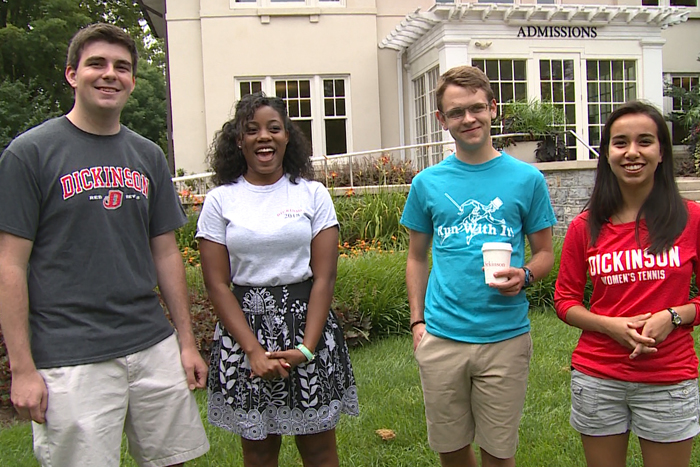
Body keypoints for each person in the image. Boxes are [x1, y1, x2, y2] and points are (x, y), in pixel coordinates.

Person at [0, 23, 210, 467]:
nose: (110, 74)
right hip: (71, 353)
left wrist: (185, 342)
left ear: (133, 79)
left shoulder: (147, 155)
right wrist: (22, 368)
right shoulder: (29, 154)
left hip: (151, 342)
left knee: (173, 460)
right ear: (72, 74)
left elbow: (166, 252)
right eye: (96, 63)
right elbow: (10, 265)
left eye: (123, 67)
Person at [401, 65, 557, 467]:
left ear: (492, 108)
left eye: (476, 108)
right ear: (442, 120)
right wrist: (418, 323)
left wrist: (525, 275)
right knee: (451, 451)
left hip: (505, 337)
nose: (468, 119)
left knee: (499, 453)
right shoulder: (427, 183)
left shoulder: (527, 179)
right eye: (456, 113)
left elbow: (544, 253)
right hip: (442, 336)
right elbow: (417, 257)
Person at [196, 92, 358, 467]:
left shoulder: (312, 194)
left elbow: (324, 276)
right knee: (258, 452)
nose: (263, 137)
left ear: (288, 136)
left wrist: (306, 347)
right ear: (239, 140)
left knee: (319, 451)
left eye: (274, 128)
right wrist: (252, 351)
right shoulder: (221, 200)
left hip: (308, 330)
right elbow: (217, 284)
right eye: (251, 130)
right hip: (245, 336)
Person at [554, 101, 700, 467]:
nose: (632, 152)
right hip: (598, 376)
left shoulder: (692, 219)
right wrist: (609, 326)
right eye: (620, 143)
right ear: (607, 154)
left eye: (644, 141)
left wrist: (674, 316)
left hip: (669, 377)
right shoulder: (584, 226)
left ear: (661, 152)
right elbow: (565, 300)